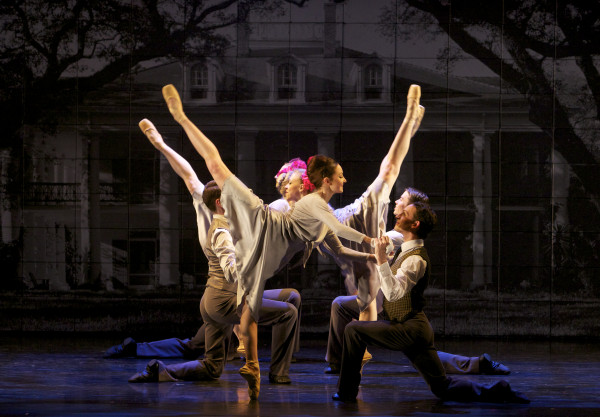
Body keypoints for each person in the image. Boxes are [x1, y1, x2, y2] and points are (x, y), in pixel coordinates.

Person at [140, 86, 377, 399]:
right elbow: (208, 165)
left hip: (229, 289)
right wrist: (179, 122)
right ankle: (268, 371)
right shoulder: (267, 212)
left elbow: (336, 242)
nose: (303, 181)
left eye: (304, 179)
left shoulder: (313, 213)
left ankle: (263, 365)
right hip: (230, 288)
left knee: (287, 300)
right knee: (217, 335)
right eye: (297, 178)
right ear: (286, 187)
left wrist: (368, 258)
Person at [332, 201, 528, 404]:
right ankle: (499, 391)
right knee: (442, 387)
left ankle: (346, 393)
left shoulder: (416, 259)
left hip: (410, 329)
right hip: (411, 327)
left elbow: (393, 294)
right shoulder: (404, 251)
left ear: (415, 224)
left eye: (404, 214)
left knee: (353, 330)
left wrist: (382, 261)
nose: (398, 215)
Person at [128, 180, 301, 393]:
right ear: (221, 203)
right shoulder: (222, 233)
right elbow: (231, 271)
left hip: (217, 299)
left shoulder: (232, 224)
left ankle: (159, 370)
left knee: (213, 367)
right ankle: (279, 374)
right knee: (288, 313)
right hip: (224, 301)